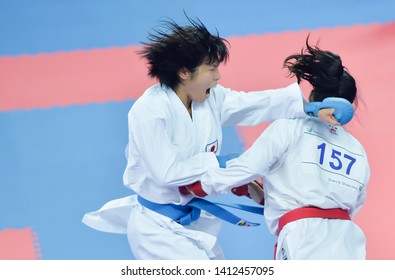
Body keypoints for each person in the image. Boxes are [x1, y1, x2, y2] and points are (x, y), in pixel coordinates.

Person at [82, 16, 355, 260]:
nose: (218, 76)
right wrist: (227, 166)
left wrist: (310, 107)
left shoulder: (210, 98)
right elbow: (167, 173)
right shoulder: (149, 112)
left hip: (198, 219)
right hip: (158, 229)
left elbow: (253, 104)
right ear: (184, 73)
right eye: (211, 69)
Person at [183, 38, 370, 260]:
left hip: (303, 239)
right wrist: (270, 196)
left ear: (313, 96)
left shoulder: (290, 126)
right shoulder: (358, 151)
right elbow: (346, 205)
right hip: (350, 242)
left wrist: (201, 185)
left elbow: (247, 167)